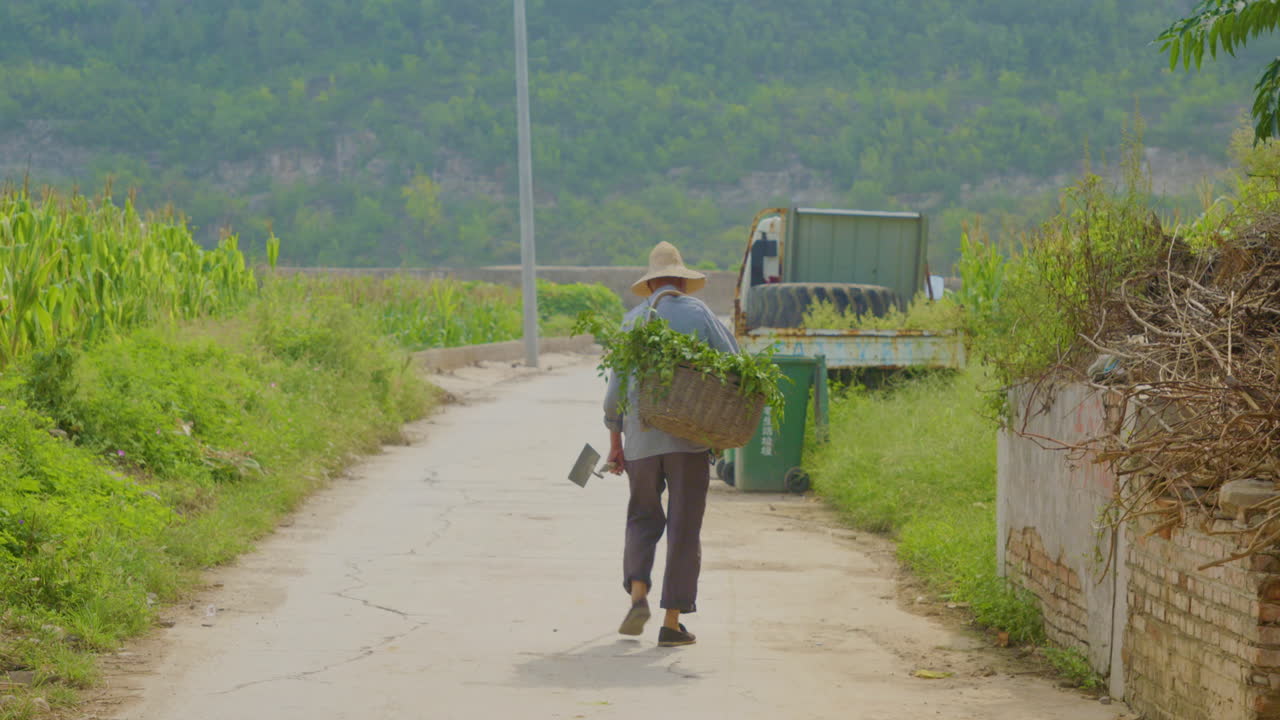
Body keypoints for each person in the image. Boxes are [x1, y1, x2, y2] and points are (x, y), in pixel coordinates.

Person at [603, 241, 738, 647]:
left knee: (642, 518)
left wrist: (615, 442)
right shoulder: (698, 313)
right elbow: (734, 366)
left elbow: (614, 395)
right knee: (684, 527)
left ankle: (639, 594)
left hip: (641, 441)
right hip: (689, 441)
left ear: (650, 283)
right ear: (680, 280)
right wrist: (720, 431)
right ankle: (672, 622)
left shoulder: (631, 322)